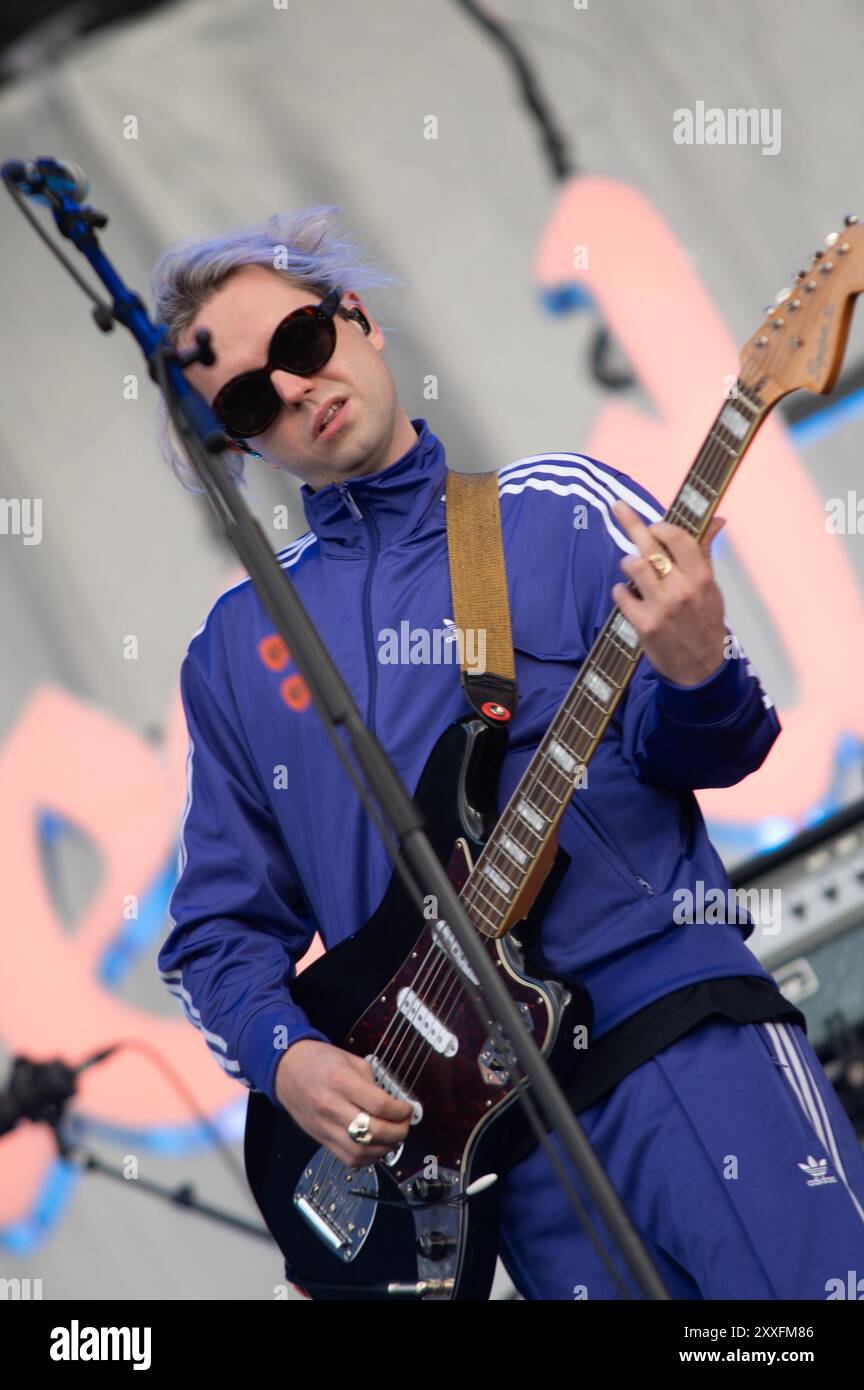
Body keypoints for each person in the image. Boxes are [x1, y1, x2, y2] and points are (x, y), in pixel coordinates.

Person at [154, 206, 864, 1299]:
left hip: (676, 1041)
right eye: (250, 398)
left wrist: (697, 663)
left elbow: (721, 745)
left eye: (300, 344)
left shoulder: (554, 515)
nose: (296, 390)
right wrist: (285, 1058)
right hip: (490, 1153)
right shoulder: (238, 651)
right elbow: (217, 931)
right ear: (239, 441)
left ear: (357, 320)